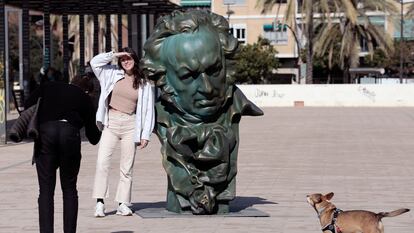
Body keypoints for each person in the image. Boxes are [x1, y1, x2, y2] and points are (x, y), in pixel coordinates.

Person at [141, 10, 263, 214]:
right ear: (163, 77)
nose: (207, 88)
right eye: (189, 76)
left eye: (214, 71)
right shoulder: (154, 115)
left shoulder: (234, 106)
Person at [25, 74, 101, 233]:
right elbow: (93, 137)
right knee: (69, 188)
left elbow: (27, 105)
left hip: (46, 134)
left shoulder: (48, 87)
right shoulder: (84, 97)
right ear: (87, 91)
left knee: (45, 190)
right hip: (69, 136)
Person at [90, 47, 155, 217]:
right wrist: (114, 55)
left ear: (135, 60)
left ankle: (122, 203)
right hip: (111, 122)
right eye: (123, 59)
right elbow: (94, 62)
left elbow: (148, 109)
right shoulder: (111, 73)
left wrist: (145, 134)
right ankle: (99, 202)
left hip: (130, 124)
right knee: (102, 162)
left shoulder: (144, 82)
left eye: (129, 58)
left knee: (127, 167)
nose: (126, 62)